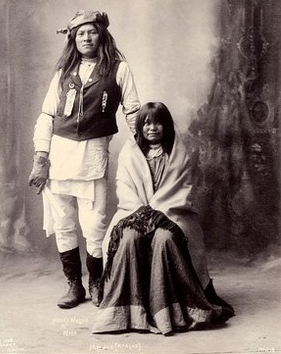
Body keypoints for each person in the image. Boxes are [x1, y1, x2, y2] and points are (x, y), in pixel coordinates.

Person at [28, 10, 140, 309]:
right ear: (73, 39)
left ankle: (96, 282)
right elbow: (47, 115)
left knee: (94, 225)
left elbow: (132, 112)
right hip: (59, 156)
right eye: (80, 34)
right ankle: (74, 285)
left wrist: (145, 147)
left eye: (91, 32)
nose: (86, 38)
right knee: (64, 223)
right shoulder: (64, 72)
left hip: (92, 157)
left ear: (101, 34)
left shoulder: (119, 69)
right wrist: (41, 158)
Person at [92, 102, 235, 335]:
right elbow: (124, 187)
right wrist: (141, 212)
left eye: (158, 123)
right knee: (128, 238)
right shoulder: (130, 151)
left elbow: (182, 190)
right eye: (147, 123)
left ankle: (168, 310)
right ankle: (126, 313)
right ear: (140, 126)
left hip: (172, 213)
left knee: (165, 239)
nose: (153, 128)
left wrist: (158, 214)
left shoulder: (178, 153)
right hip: (134, 212)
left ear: (166, 126)